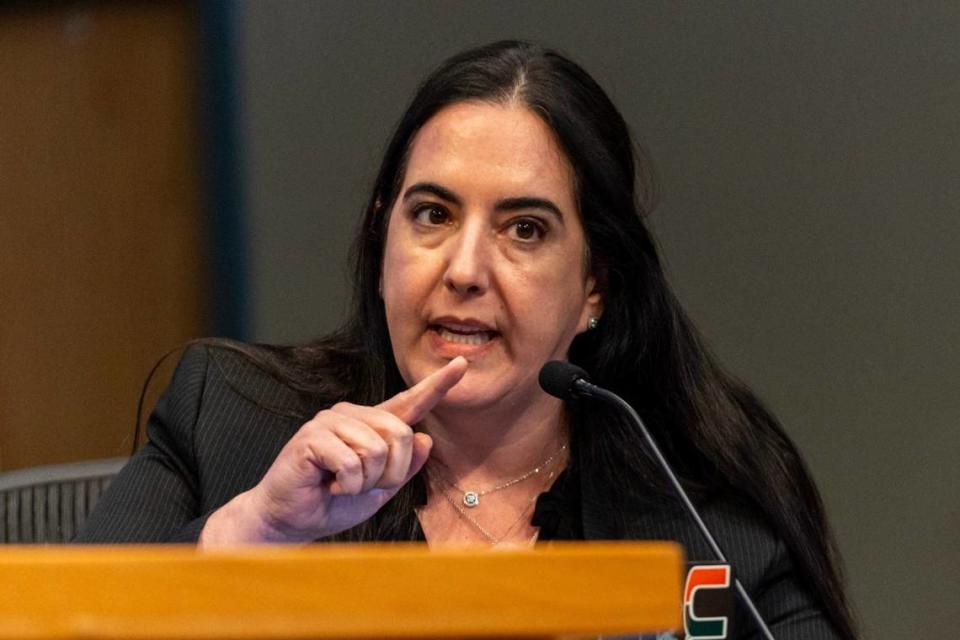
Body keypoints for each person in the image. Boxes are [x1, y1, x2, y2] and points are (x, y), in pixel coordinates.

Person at [77, 41, 858, 639]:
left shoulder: (701, 498)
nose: (465, 268)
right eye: (434, 215)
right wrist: (257, 530)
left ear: (596, 287)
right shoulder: (232, 420)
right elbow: (67, 622)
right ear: (382, 239)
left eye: (524, 229)